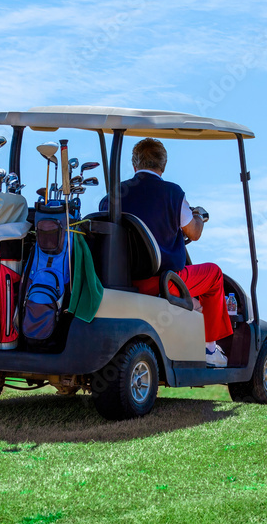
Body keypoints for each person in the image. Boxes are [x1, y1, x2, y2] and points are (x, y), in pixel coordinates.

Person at [99, 138, 232, 367]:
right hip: (164, 281)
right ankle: (210, 348)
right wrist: (197, 216)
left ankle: (194, 312)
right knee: (214, 274)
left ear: (134, 165)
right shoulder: (173, 194)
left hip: (123, 280)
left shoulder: (111, 197)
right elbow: (194, 232)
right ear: (164, 165)